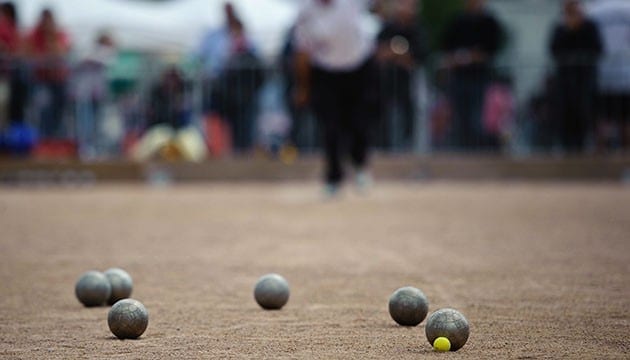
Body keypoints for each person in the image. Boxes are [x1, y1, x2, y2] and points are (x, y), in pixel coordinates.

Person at [294, 0, 377, 196]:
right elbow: (302, 53)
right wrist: (303, 87)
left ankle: (360, 167)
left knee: (358, 122)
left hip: (358, 67)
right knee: (330, 126)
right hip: (326, 72)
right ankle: (333, 178)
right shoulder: (305, 12)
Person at [197, 2, 263, 152]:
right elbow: (203, 57)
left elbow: (256, 62)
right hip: (222, 90)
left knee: (242, 126)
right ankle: (219, 150)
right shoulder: (214, 36)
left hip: (242, 93)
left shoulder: (248, 42)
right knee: (219, 123)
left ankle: (240, 151)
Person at [441, 0, 503, 150]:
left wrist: (475, 57)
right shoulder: (457, 20)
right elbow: (446, 46)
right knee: (459, 116)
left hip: (479, 77)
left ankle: (477, 151)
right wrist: (455, 59)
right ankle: (461, 151)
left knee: (477, 117)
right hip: (459, 77)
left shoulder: (489, 22)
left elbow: (492, 49)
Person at [549, 0, 603, 153]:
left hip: (584, 79)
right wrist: (568, 30)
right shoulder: (560, 27)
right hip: (565, 80)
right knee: (565, 114)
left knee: (585, 112)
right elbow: (554, 49)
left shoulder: (590, 26)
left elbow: (597, 48)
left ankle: (584, 144)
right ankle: (565, 146)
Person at [375, 0, 428, 150]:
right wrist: (396, 54)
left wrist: (398, 55)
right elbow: (380, 51)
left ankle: (407, 145)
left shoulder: (418, 28)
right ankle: (384, 146)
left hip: (409, 82)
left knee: (408, 114)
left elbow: (419, 55)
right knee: (384, 114)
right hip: (387, 81)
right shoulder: (388, 27)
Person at [24, 8, 71, 139]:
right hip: (40, 80)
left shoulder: (59, 34)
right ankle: (43, 137)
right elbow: (27, 53)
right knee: (43, 110)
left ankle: (55, 136)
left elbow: (61, 52)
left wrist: (51, 38)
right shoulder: (33, 35)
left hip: (58, 80)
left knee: (59, 109)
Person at [71, 32, 116, 160]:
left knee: (98, 122)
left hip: (98, 94)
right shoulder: (90, 50)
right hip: (84, 93)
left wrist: (92, 57)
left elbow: (108, 61)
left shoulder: (106, 53)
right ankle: (85, 148)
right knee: (85, 122)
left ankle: (96, 147)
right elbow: (78, 60)